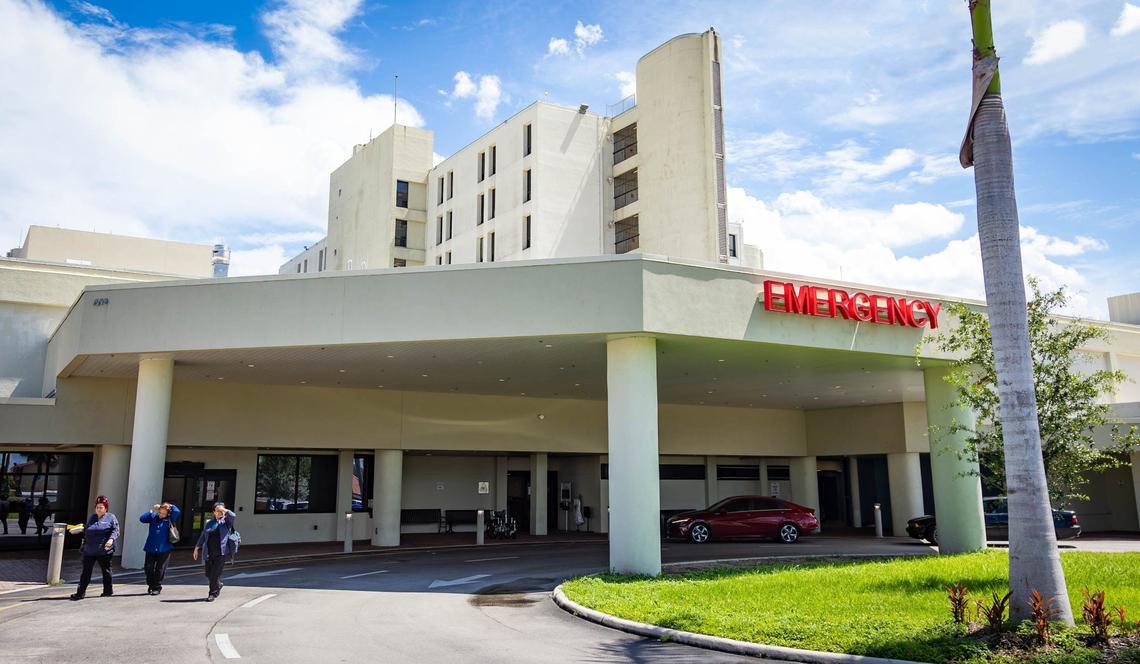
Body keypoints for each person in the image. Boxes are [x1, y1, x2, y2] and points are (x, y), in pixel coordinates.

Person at [70, 495, 119, 600]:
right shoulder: (92, 517)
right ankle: (80, 593)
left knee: (106, 571)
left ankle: (108, 591)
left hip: (104, 550)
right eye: (97, 507)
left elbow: (115, 531)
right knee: (86, 572)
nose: (99, 509)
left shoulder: (111, 517)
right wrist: (81, 529)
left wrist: (111, 540)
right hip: (90, 550)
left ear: (106, 508)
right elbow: (89, 529)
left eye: (101, 507)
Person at [193, 503, 235, 602]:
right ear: (214, 512)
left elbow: (233, 515)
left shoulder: (226, 522)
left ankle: (212, 593)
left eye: (221, 511)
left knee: (215, 574)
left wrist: (224, 510)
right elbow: (203, 536)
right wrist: (196, 547)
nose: (220, 512)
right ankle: (218, 584)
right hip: (209, 552)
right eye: (217, 510)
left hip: (221, 553)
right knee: (208, 574)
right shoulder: (209, 523)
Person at [139, 502, 181, 595]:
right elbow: (142, 519)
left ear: (167, 513)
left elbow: (177, 511)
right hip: (150, 547)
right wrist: (150, 512)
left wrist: (169, 506)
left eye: (164, 513)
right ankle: (151, 585)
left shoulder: (170, 518)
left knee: (160, 569)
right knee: (148, 567)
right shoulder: (153, 516)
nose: (161, 515)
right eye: (160, 512)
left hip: (164, 548)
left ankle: (157, 587)